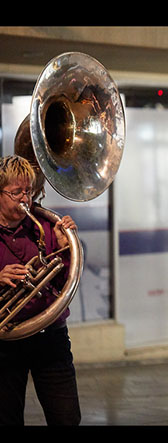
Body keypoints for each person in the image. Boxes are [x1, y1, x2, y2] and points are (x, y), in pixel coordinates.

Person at [0, 155, 80, 425]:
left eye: (29, 191)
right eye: (16, 192)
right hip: (6, 341)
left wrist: (64, 249)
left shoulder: (43, 225)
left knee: (67, 419)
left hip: (50, 336)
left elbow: (62, 282)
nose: (25, 199)